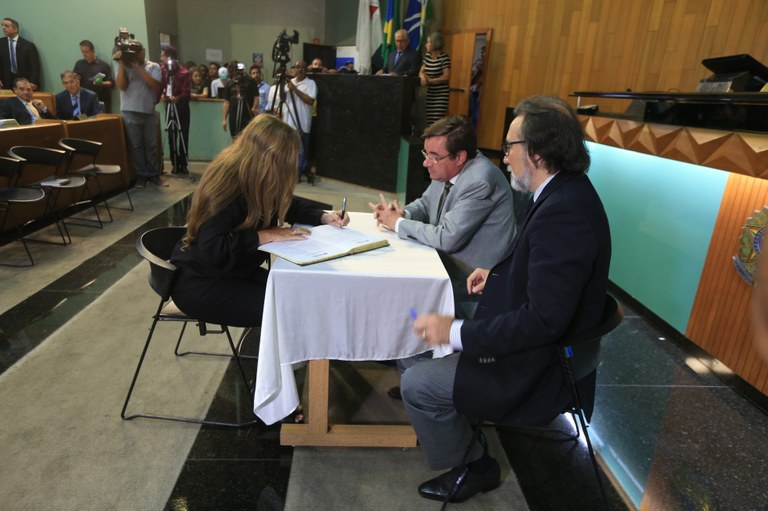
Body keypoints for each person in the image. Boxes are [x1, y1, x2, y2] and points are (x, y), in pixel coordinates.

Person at [400, 96, 612, 504]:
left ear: (537, 152)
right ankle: (454, 414)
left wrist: (458, 333)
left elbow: (543, 321)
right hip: (541, 346)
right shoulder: (564, 193)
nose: (505, 156)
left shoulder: (564, 212)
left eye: (510, 146)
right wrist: (497, 272)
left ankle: (475, 466)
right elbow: (543, 272)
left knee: (416, 382)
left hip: (540, 365)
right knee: (418, 343)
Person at [170, 115, 349, 327]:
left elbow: (285, 203)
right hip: (201, 282)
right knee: (292, 308)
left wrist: (323, 216)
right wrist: (266, 235)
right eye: (289, 158)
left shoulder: (254, 176)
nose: (293, 164)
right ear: (270, 156)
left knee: (300, 293)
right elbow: (213, 247)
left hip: (232, 270)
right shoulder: (227, 184)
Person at [371, 115, 515, 285]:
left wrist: (398, 223)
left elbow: (447, 238)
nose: (426, 163)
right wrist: (404, 213)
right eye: (426, 154)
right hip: (442, 262)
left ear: (459, 157)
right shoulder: (446, 168)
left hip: (470, 280)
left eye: (434, 157)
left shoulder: (479, 181)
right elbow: (426, 203)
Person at [115, 41, 165, 188]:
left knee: (151, 146)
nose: (137, 55)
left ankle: (154, 176)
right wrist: (122, 64)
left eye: (139, 52)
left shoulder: (153, 66)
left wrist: (138, 67)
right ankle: (141, 177)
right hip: (130, 111)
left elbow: (154, 84)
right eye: (134, 53)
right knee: (136, 146)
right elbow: (121, 86)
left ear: (143, 52)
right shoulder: (122, 65)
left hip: (149, 111)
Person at [279, 60, 317, 183]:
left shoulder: (311, 84)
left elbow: (310, 101)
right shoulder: (289, 83)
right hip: (288, 122)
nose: (299, 69)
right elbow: (283, 99)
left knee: (301, 150)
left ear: (306, 70)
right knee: (289, 150)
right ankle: (289, 172)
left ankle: (298, 173)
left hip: (302, 123)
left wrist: (295, 89)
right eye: (297, 67)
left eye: (302, 67)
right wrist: (283, 83)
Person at [160, 46, 190, 175]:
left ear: (169, 57)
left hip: (182, 107)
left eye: (162, 55)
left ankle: (184, 164)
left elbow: (186, 93)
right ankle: (175, 164)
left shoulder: (184, 72)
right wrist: (162, 95)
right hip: (169, 106)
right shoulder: (163, 70)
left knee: (183, 134)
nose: (161, 58)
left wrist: (177, 98)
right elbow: (161, 86)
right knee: (171, 135)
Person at [73, 40, 114, 113]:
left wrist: (101, 83)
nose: (84, 54)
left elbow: (112, 83)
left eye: (86, 52)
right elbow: (73, 79)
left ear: (93, 51)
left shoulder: (104, 66)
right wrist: (76, 78)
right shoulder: (79, 64)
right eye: (82, 51)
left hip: (99, 101)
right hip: (83, 101)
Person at [419, 33, 451, 127]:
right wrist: (423, 77)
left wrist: (430, 81)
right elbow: (421, 71)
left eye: (428, 42)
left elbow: (446, 76)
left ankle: (437, 136)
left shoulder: (444, 57)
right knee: (430, 119)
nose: (426, 45)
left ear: (435, 43)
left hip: (441, 93)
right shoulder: (427, 57)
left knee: (437, 119)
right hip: (431, 92)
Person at [221, 61, 258, 139]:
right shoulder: (229, 83)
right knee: (235, 136)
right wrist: (224, 119)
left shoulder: (251, 81)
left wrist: (254, 108)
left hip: (247, 113)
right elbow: (226, 102)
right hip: (233, 114)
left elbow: (256, 96)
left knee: (247, 137)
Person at [0, 18, 41, 90]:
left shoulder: (28, 46)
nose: (3, 28)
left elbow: (34, 67)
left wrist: (33, 82)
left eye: (6, 26)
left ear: (16, 29)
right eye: (2, 25)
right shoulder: (1, 43)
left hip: (24, 82)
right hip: (5, 82)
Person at [469, 46, 485, 130]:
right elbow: (471, 80)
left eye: (484, 52)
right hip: (474, 91)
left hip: (483, 93)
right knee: (471, 112)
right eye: (482, 52)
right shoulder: (478, 63)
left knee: (477, 115)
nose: (483, 54)